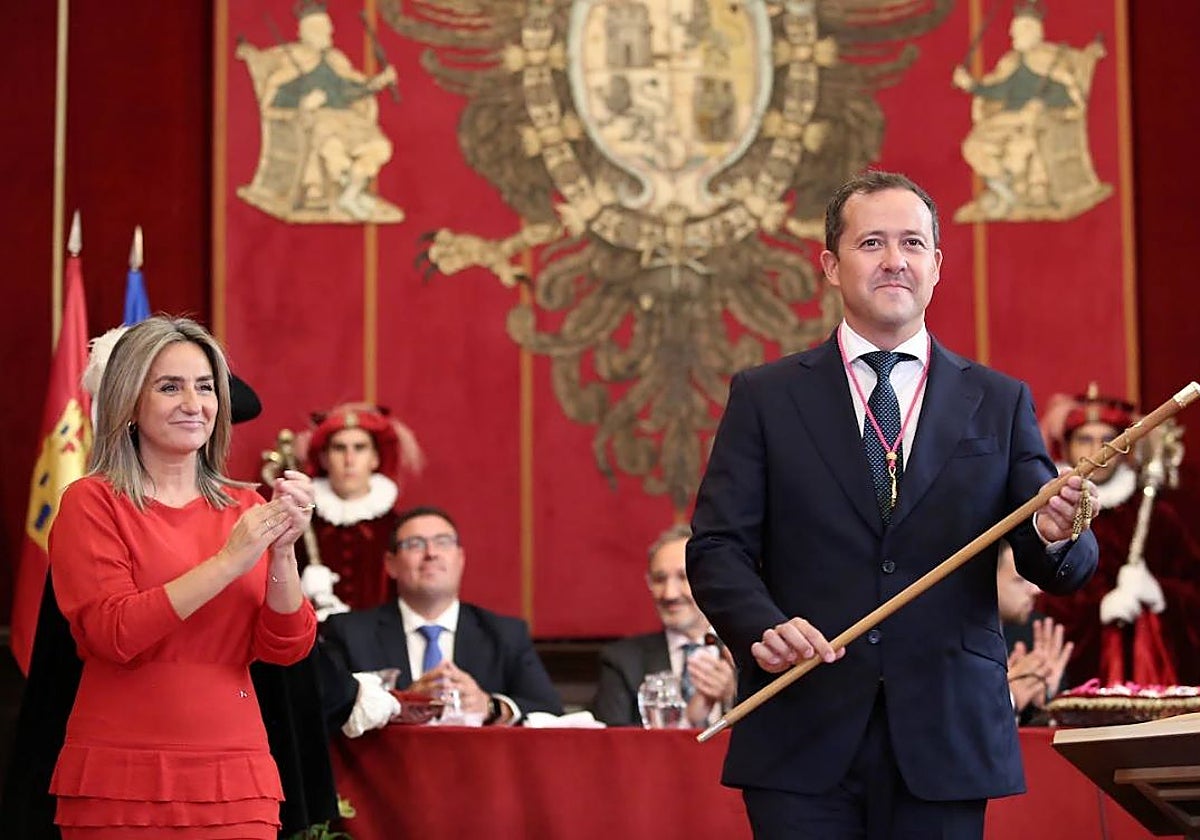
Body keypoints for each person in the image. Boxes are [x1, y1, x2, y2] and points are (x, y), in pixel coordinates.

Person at [686, 170, 1099, 839]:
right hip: (801, 727)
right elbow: (716, 547)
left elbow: (1057, 561)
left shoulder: (998, 401)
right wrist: (763, 627)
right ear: (830, 265)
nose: (894, 260)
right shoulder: (765, 397)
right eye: (871, 242)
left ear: (936, 265)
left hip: (947, 733)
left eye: (912, 243)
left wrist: (1056, 532)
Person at [1, 326, 338, 839]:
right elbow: (114, 633)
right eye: (169, 387)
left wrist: (284, 551)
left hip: (235, 779)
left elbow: (285, 647)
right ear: (129, 404)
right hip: (120, 777)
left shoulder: (247, 507)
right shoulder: (92, 502)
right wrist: (230, 559)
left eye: (205, 387)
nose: (193, 404)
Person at [320, 505, 562, 736]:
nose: (431, 553)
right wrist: (401, 703)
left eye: (443, 542)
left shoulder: (505, 634)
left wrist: (490, 706)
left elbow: (551, 711)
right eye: (415, 544)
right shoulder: (350, 633)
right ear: (391, 565)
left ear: (460, 558)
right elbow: (326, 712)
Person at [1038, 385, 1200, 687]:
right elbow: (1034, 600)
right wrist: (1097, 610)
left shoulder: (1159, 517)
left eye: (1108, 440)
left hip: (1153, 676)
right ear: (1067, 447)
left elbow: (1194, 589)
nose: (1098, 451)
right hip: (1077, 679)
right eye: (1085, 440)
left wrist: (1160, 593)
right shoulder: (1051, 512)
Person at [951, 0, 1107, 220]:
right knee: (973, 145)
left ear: (1032, 31)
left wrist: (1042, 104)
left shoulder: (1050, 59)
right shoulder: (1011, 61)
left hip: (1037, 119)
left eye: (1017, 29)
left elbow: (1066, 95)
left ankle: (1028, 189)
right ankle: (1003, 184)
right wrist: (971, 85)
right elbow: (999, 90)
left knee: (1021, 143)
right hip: (1008, 119)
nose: (1011, 33)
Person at [591, 524, 736, 727]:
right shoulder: (622, 661)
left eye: (683, 577)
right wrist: (686, 721)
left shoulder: (749, 652)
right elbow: (609, 742)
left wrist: (731, 697)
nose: (669, 594)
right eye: (659, 580)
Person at [295, 402, 423, 614]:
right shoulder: (300, 524)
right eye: (339, 448)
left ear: (375, 458)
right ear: (324, 459)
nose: (349, 460)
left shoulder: (398, 528)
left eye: (360, 448)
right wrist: (298, 590)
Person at [996, 540, 1073, 720]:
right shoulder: (953, 640)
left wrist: (1046, 699)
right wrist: (1008, 696)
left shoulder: (1036, 634)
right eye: (1020, 580)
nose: (1035, 590)